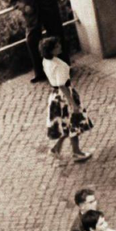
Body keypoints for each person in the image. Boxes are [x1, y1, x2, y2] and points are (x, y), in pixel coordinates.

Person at [5, 0, 66, 83]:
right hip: (32, 15)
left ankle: (65, 67)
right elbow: (13, 1)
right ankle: (40, 73)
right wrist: (23, 7)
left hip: (48, 9)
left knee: (57, 35)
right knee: (32, 41)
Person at [38, 36, 93, 164]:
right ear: (51, 50)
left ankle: (56, 149)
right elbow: (62, 85)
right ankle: (76, 152)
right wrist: (73, 103)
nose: (60, 47)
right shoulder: (59, 66)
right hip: (64, 96)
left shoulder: (46, 61)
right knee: (73, 124)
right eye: (57, 46)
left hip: (55, 96)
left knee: (66, 125)